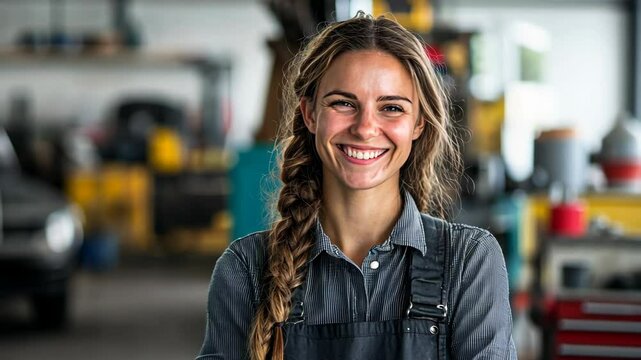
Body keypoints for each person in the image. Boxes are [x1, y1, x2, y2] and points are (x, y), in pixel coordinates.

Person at [197, 12, 516, 360]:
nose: (365, 128)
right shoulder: (246, 269)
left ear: (418, 125)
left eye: (391, 107)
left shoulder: (468, 261)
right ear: (310, 114)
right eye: (344, 103)